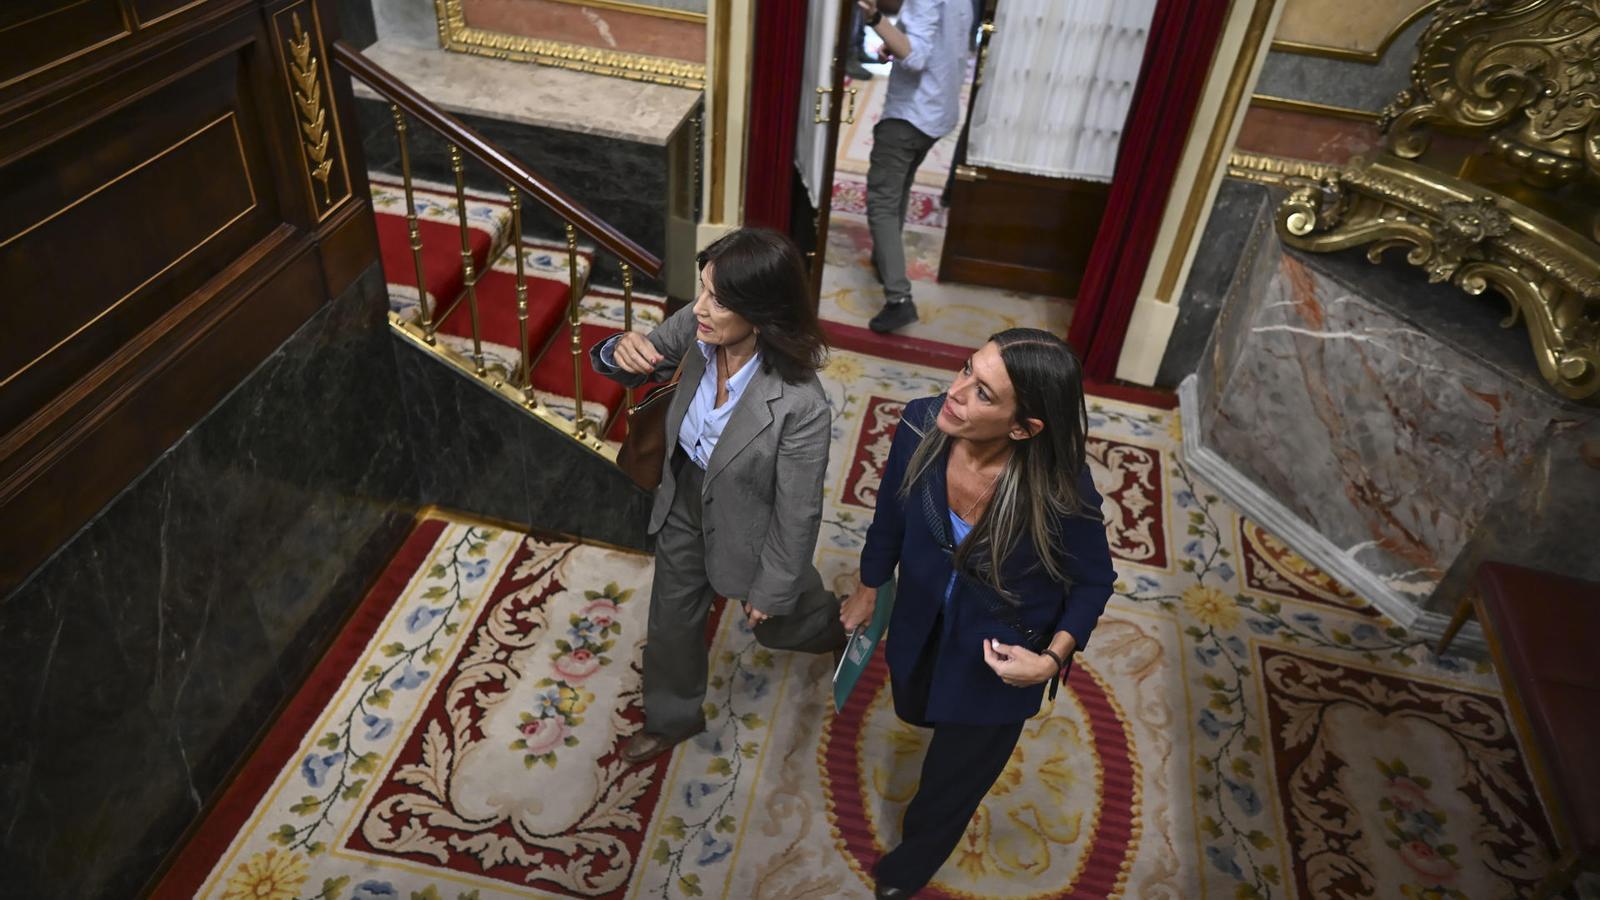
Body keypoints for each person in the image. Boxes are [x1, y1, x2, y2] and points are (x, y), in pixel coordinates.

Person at [838, 329, 1116, 898]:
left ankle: (909, 868)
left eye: (983, 393)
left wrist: (1049, 662)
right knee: (914, 706)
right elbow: (889, 517)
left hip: (1000, 656)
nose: (956, 391)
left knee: (952, 780)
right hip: (921, 620)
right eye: (966, 368)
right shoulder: (919, 424)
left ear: (1023, 428)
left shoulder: (1064, 491)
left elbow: (1093, 581)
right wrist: (870, 586)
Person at [592, 228, 846, 765]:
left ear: (761, 312)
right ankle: (671, 719)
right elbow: (636, 359)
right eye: (702, 289)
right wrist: (620, 348)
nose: (699, 308)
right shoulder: (698, 325)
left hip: (754, 519)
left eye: (719, 300)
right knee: (671, 621)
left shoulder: (802, 405)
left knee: (780, 622)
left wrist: (771, 589)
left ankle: (837, 624)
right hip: (686, 494)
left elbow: (797, 511)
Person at [857, 0, 974, 333]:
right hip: (938, 112)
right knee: (899, 189)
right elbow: (937, 46)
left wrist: (875, 18)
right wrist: (893, 41)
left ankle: (899, 299)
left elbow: (917, 56)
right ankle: (886, 259)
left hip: (911, 115)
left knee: (882, 202)